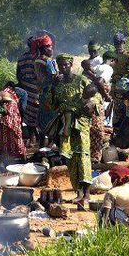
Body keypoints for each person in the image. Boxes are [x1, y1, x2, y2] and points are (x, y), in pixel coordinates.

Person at [44, 53, 102, 210]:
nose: (63, 68)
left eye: (66, 65)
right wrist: (54, 87)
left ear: (70, 65)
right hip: (65, 124)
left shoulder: (81, 80)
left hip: (81, 122)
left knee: (83, 155)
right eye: (60, 65)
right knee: (70, 158)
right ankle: (78, 191)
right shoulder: (58, 83)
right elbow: (49, 105)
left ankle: (87, 193)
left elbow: (96, 96)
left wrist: (91, 103)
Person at [0, 83, 27, 169]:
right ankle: (24, 163)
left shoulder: (3, 92)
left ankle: (0, 164)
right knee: (18, 141)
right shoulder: (18, 93)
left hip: (3, 121)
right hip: (13, 120)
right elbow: (22, 109)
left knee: (1, 143)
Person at [16, 37, 40, 145]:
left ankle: (32, 138)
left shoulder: (22, 58)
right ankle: (38, 141)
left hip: (25, 88)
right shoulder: (37, 58)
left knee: (28, 115)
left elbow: (18, 75)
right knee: (38, 114)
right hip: (36, 89)